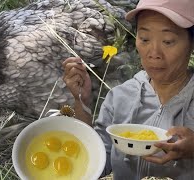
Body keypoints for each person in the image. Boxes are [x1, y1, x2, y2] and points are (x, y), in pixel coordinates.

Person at [62, 0, 194, 179]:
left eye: (168, 41)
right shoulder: (119, 97)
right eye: (145, 39)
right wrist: (81, 101)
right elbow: (97, 164)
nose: (153, 52)